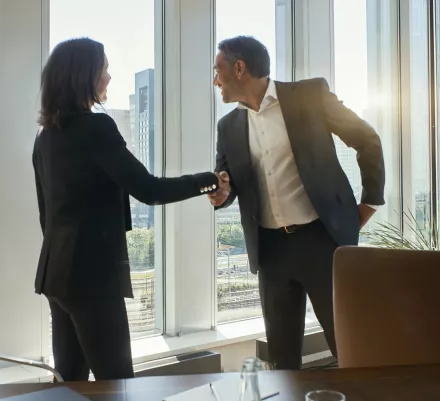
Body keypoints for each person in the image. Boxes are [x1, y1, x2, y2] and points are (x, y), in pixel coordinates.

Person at [33, 37, 228, 381]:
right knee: (118, 385)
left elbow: (45, 215)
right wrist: (209, 180)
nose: (108, 77)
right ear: (84, 76)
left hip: (56, 274)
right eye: (104, 69)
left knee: (70, 386)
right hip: (92, 277)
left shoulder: (45, 136)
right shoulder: (96, 127)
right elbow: (148, 189)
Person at [209, 36, 385, 370]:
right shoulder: (228, 126)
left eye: (217, 70)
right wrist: (221, 193)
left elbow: (366, 138)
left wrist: (369, 202)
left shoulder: (309, 95)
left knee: (349, 347)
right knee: (282, 361)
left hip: (322, 241)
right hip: (271, 253)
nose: (215, 80)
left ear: (240, 68)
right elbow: (228, 180)